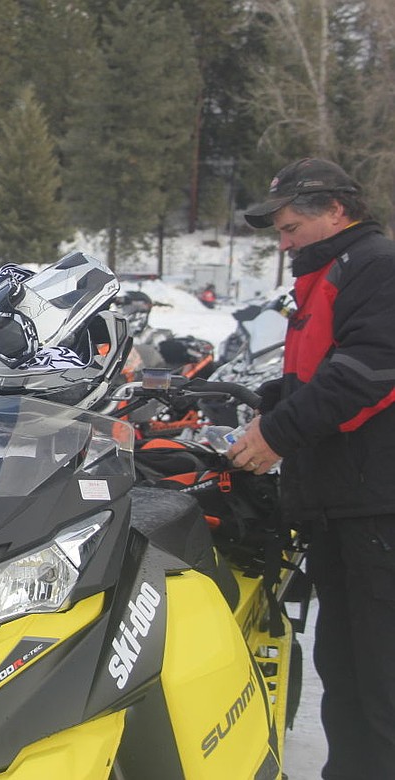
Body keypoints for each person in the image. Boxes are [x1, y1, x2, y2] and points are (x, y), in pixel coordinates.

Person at [231, 157, 395, 779]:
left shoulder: (377, 267)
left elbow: (368, 374)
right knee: (346, 666)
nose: (284, 239)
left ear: (337, 210)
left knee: (379, 675)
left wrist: (277, 434)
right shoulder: (331, 274)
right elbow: (312, 380)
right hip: (340, 503)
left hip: (377, 503)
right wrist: (262, 405)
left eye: (291, 224)